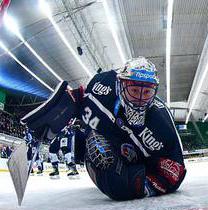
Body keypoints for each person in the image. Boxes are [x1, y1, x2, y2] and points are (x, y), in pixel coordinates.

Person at [21, 57, 186, 201]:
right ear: (120, 85)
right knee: (87, 142)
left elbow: (175, 171)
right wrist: (64, 106)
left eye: (147, 92)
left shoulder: (163, 123)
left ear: (155, 91)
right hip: (104, 141)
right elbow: (81, 97)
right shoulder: (102, 84)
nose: (140, 99)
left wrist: (138, 185)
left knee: (117, 186)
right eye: (134, 90)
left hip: (138, 166)